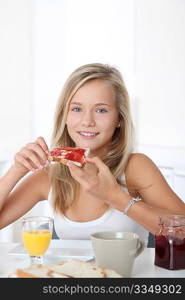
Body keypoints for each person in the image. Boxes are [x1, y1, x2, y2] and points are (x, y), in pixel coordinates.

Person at [0, 63, 184, 244]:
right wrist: (16, 170)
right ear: (64, 115)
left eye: (101, 110)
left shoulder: (135, 167)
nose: (87, 121)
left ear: (119, 118)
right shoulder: (49, 176)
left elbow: (182, 231)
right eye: (77, 109)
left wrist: (115, 197)